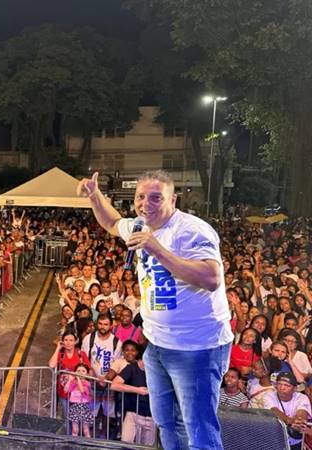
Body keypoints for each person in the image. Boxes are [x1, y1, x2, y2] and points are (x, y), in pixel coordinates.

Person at [78, 170, 233, 450]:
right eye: (140, 197)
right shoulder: (139, 226)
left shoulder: (191, 230)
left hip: (196, 347)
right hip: (157, 345)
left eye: (155, 197)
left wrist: (157, 248)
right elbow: (112, 222)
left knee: (198, 429)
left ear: (172, 199)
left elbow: (211, 278)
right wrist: (94, 196)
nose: (145, 203)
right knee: (166, 424)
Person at [109, 340, 155, 446]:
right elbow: (114, 385)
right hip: (133, 414)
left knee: (146, 447)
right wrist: (137, 390)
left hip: (151, 417)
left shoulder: (157, 371)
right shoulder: (131, 368)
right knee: (126, 444)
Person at [264, 371, 311, 450]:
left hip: (296, 442)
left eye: (286, 385)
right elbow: (273, 410)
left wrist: (299, 421)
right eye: (279, 384)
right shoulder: (269, 396)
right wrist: (290, 421)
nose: (282, 388)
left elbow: (302, 412)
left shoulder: (302, 398)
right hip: (275, 440)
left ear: (295, 388)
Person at [65, 363, 93, 438]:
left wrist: (77, 378)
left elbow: (82, 390)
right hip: (74, 406)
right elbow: (65, 390)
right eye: (78, 370)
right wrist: (69, 381)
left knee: (86, 430)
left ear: (87, 373)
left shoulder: (87, 383)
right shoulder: (73, 382)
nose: (80, 372)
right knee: (75, 430)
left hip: (84, 406)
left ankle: (88, 444)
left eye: (83, 371)